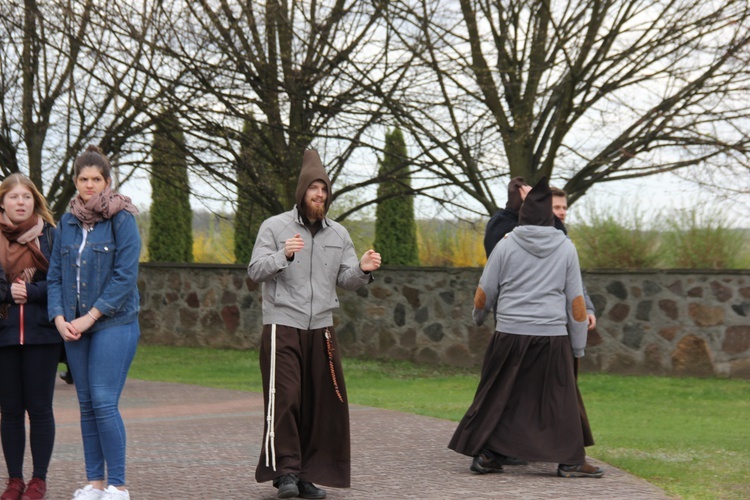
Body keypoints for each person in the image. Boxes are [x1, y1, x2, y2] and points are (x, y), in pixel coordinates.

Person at [449, 176, 604, 478]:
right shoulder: (565, 248)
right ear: (548, 214)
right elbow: (575, 302)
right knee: (559, 400)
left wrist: (478, 318)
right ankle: (571, 461)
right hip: (552, 337)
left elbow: (484, 292)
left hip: (509, 335)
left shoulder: (506, 245)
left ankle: (488, 455)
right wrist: (578, 346)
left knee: (500, 396)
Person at [248, 150, 382, 499]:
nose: (319, 195)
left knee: (319, 403)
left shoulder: (338, 233)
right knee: (287, 398)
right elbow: (254, 272)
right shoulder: (275, 227)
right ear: (302, 192)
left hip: (321, 329)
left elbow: (347, 279)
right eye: (313, 189)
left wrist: (364, 270)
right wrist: (283, 256)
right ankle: (286, 472)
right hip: (282, 325)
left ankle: (306, 474)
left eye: (323, 190)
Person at [47, 145, 141, 500]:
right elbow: (54, 275)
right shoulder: (66, 223)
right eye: (83, 179)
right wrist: (59, 318)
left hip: (114, 323)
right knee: (85, 403)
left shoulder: (123, 217)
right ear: (75, 182)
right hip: (73, 327)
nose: (89, 185)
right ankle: (95, 484)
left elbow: (125, 276)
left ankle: (117, 485)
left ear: (107, 181)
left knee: (103, 401)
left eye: (96, 179)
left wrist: (89, 317)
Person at [0, 174, 59, 500]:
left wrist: (33, 291)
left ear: (35, 201)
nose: (20, 202)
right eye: (14, 197)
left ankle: (38, 480)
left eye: (26, 197)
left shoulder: (50, 236)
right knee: (9, 410)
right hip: (4, 333)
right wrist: (10, 291)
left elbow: (62, 282)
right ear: (3, 201)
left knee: (39, 409)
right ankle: (14, 480)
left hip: (42, 335)